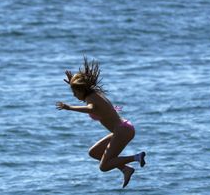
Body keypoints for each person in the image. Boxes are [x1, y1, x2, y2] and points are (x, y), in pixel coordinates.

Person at [56, 57, 146, 188]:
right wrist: (72, 83)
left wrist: (69, 107)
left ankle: (136, 157)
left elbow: (90, 108)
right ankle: (126, 169)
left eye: (75, 92)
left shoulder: (91, 99)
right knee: (94, 152)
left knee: (103, 167)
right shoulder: (93, 94)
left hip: (123, 131)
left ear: (82, 90)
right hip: (122, 128)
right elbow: (88, 97)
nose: (74, 96)